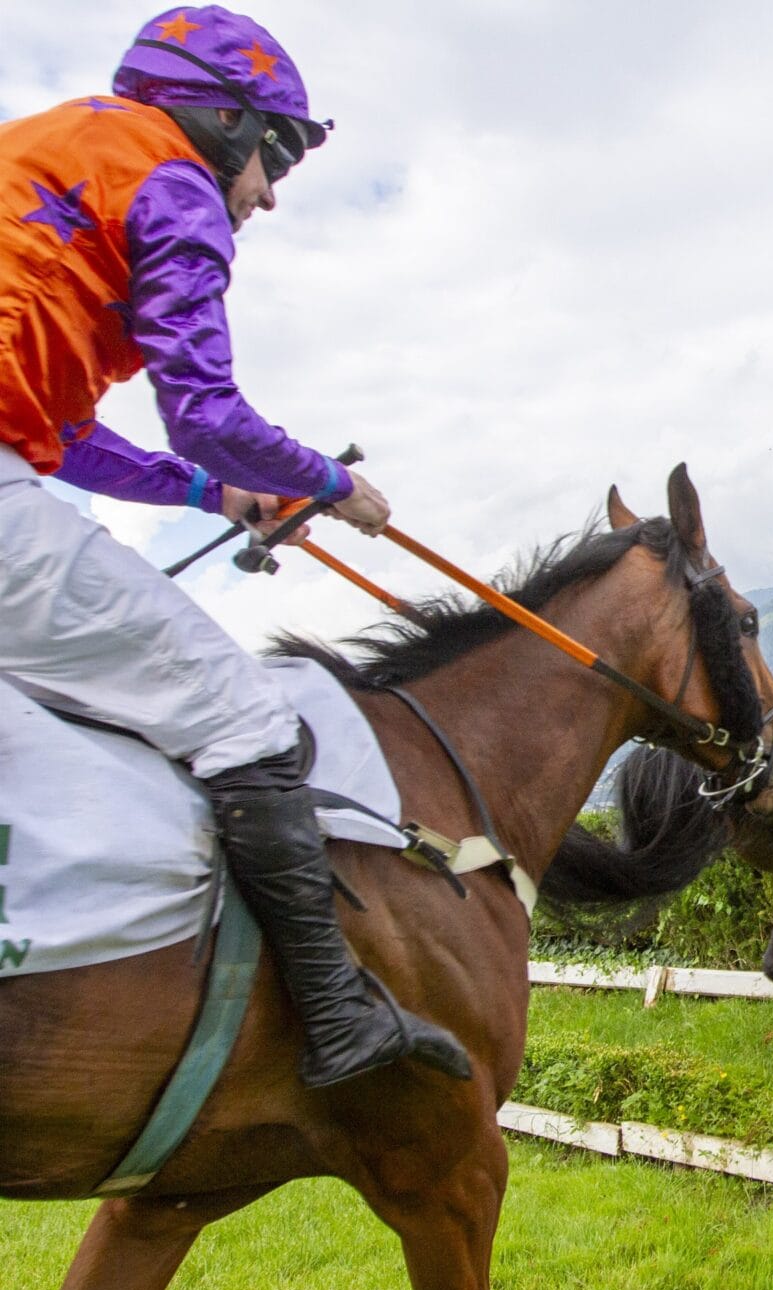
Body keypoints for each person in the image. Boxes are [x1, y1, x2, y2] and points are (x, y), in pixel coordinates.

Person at [0, 8, 469, 1087]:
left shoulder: (59, 161)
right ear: (220, 119)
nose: (271, 191)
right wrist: (332, 482)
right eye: (279, 150)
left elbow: (65, 437)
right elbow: (203, 409)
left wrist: (218, 493)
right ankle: (341, 1017)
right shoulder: (172, 181)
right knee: (247, 716)